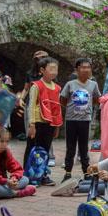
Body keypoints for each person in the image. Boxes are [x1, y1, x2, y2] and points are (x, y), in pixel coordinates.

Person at [60, 58, 101, 183]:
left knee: (84, 147)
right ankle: (67, 172)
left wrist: (87, 108)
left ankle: (86, 172)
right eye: (83, 67)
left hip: (85, 120)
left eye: (88, 67)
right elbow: (63, 100)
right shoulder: (70, 84)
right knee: (70, 147)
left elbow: (96, 99)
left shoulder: (93, 84)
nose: (86, 69)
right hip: (71, 119)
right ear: (77, 69)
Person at [23, 57, 62, 186]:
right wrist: (32, 124)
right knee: (32, 149)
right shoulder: (36, 86)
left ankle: (43, 175)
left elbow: (57, 108)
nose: (54, 72)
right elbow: (31, 106)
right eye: (51, 69)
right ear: (42, 70)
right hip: (38, 123)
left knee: (45, 151)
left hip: (49, 124)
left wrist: (57, 126)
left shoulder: (57, 88)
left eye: (56, 69)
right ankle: (28, 175)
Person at [0, 128, 36, 202]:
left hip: (3, 183)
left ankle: (0, 193)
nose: (4, 145)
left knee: (25, 179)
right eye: (1, 141)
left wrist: (13, 178)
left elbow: (17, 169)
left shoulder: (6, 152)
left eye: (7, 141)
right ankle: (16, 193)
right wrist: (5, 181)